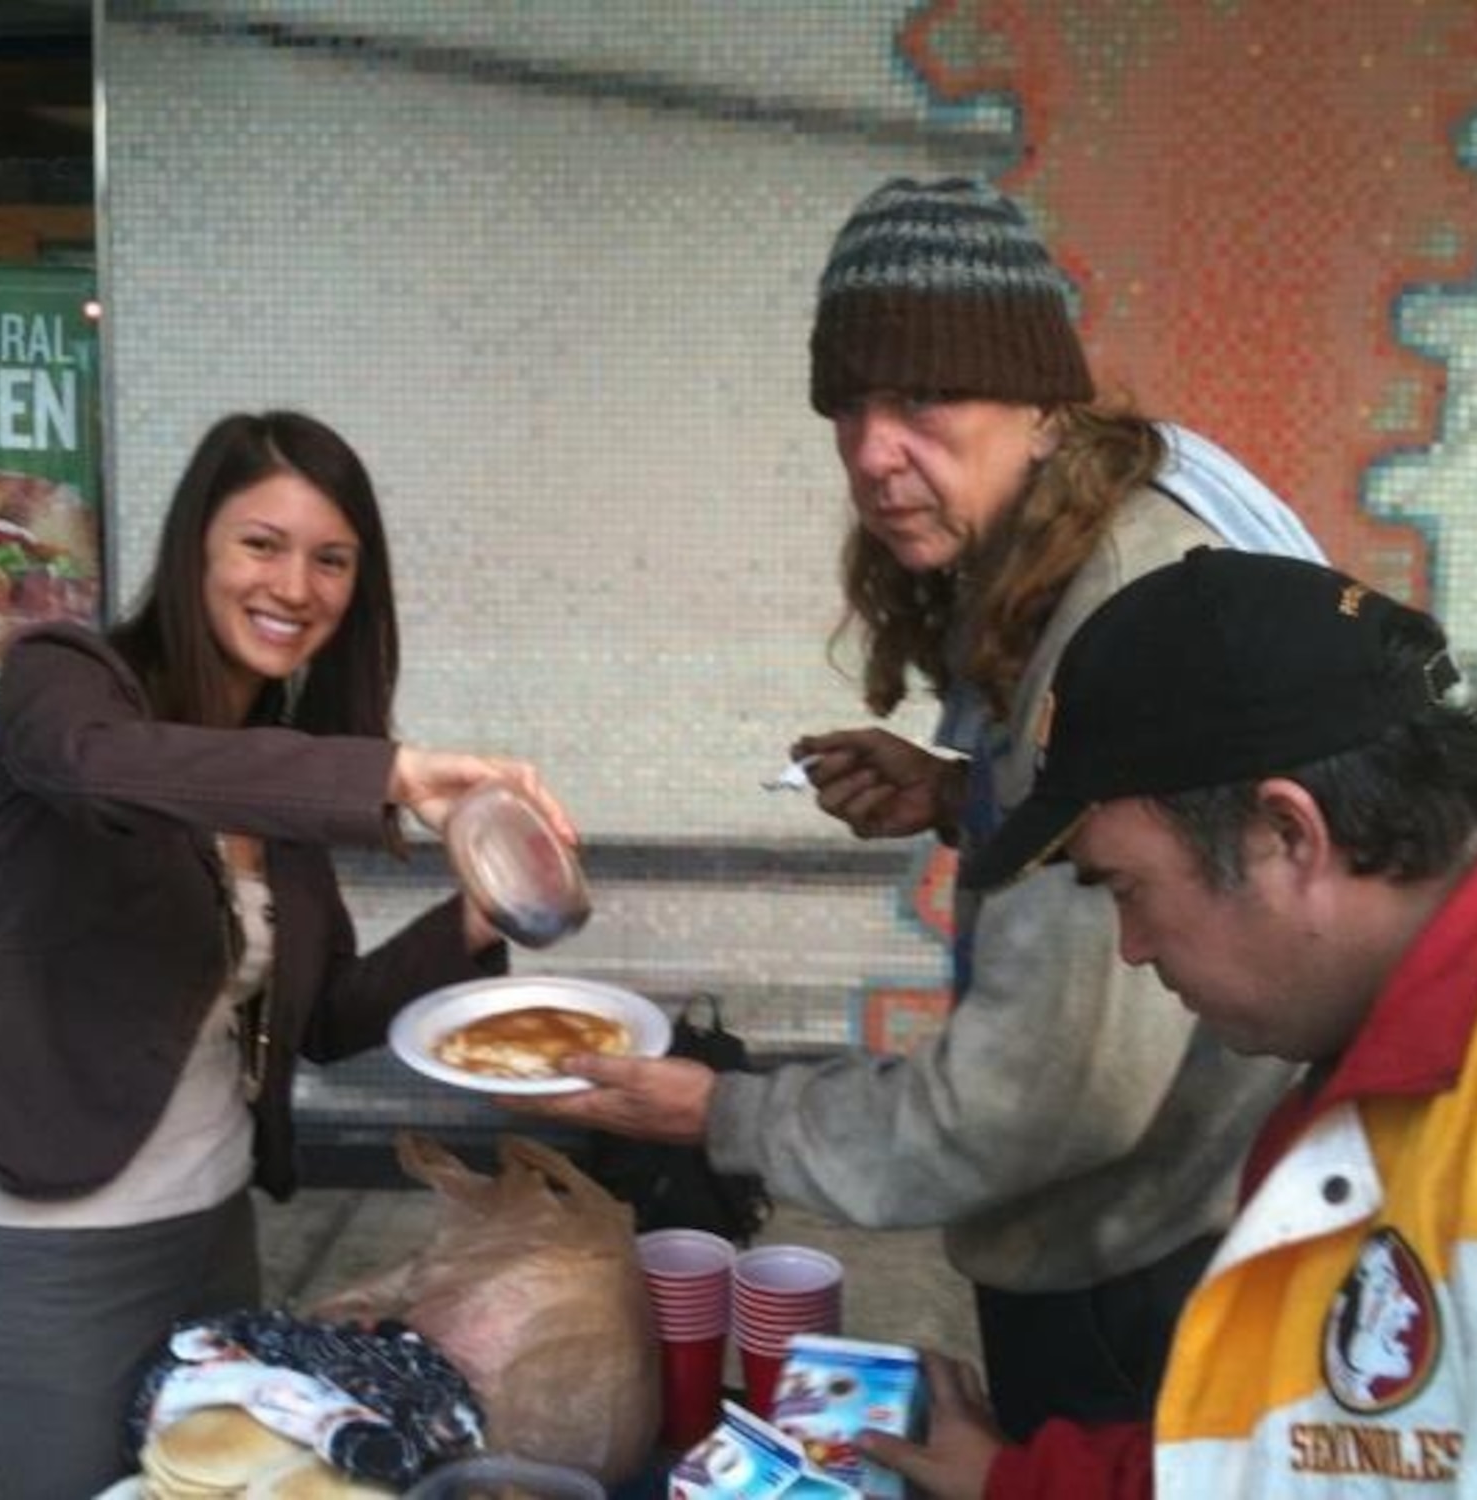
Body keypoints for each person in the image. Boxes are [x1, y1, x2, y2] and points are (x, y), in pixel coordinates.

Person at [510, 177, 1311, 1438]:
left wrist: (725, 1114)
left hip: (1139, 1268)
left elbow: (1044, 1097)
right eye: (848, 407)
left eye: (923, 401)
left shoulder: (1114, 624)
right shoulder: (1099, 539)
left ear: (1042, 401)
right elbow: (1101, 836)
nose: (873, 454)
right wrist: (959, 792)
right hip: (1172, 1216)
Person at [857, 548, 1477, 1497]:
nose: (1133, 948)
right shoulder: (1389, 1069)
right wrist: (1017, 1481)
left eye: (1127, 888)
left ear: (1288, 834)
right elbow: (1300, 1457)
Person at [0, 410, 578, 1500]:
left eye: (331, 559)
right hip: (48, 1237)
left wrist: (476, 917)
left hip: (212, 1226)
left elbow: (330, 1020)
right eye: (262, 543)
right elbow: (94, 768)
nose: (295, 586)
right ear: (197, 543)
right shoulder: (66, 683)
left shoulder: (276, 786)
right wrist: (386, 774)